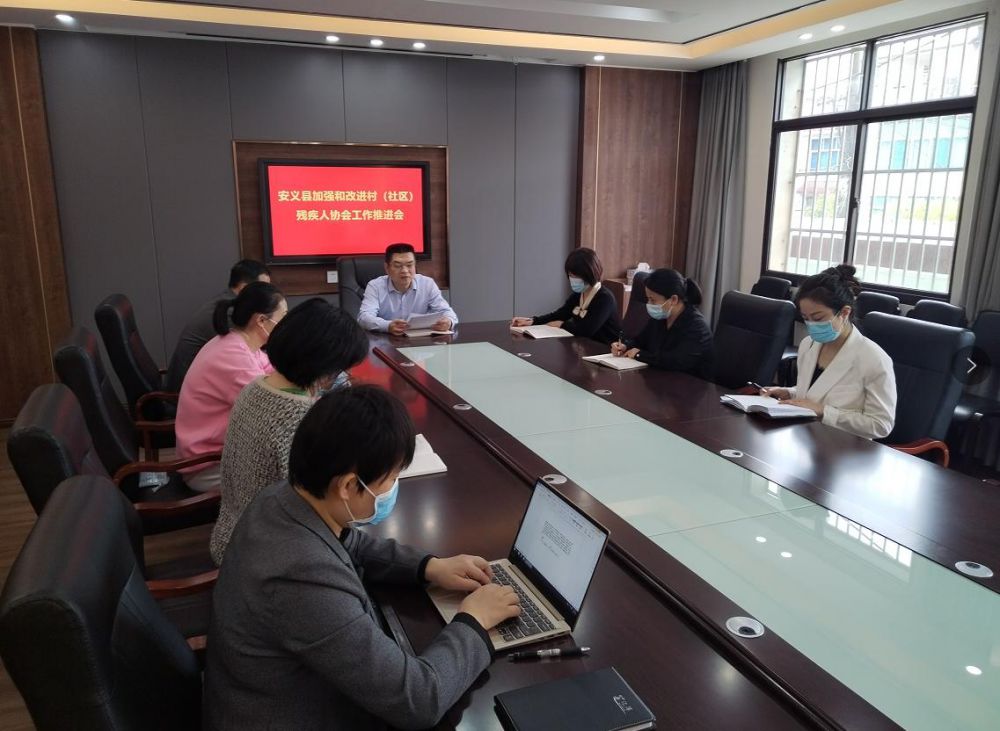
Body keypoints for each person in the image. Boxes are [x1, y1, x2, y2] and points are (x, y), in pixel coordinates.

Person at [203, 385, 521, 730]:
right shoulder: (300, 577)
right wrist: (473, 621)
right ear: (348, 486)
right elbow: (417, 700)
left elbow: (348, 543)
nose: (393, 488)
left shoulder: (284, 497)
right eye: (391, 478)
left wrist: (428, 567)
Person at [209, 299, 370, 565]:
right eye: (341, 368)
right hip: (261, 556)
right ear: (324, 367)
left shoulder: (256, 386)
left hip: (233, 532)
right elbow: (319, 508)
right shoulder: (299, 418)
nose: (341, 375)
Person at [761, 265, 896, 440]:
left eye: (818, 318)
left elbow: (881, 424)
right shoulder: (808, 344)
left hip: (846, 447)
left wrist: (825, 412)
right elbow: (817, 392)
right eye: (806, 318)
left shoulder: (873, 358)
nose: (811, 325)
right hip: (805, 436)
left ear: (844, 313)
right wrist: (789, 393)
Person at [175, 282, 287, 492]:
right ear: (261, 321)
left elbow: (273, 370)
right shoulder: (233, 356)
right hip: (208, 467)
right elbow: (273, 408)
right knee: (296, 475)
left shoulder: (240, 343)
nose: (286, 324)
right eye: (283, 317)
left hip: (222, 452)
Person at [165, 259, 271, 392]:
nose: (269, 294)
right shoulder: (231, 314)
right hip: (185, 392)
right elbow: (249, 361)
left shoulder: (225, 303)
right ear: (244, 288)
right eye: (263, 288)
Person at [610, 268, 714, 379]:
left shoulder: (697, 327)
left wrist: (640, 354)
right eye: (648, 299)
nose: (648, 304)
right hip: (662, 380)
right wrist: (625, 346)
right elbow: (640, 341)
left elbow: (676, 361)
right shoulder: (661, 318)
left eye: (653, 300)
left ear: (673, 299)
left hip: (691, 384)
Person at [511, 248, 622, 344]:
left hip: (605, 350)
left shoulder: (605, 298)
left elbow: (586, 330)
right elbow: (560, 314)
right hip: (584, 346)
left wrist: (562, 325)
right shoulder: (578, 295)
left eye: (576, 276)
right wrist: (533, 321)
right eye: (570, 275)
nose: (572, 279)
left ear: (589, 274)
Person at [358, 243, 459, 335]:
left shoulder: (427, 284)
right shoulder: (375, 286)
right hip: (386, 341)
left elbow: (447, 312)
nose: (405, 271)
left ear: (415, 266)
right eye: (398, 266)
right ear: (387, 268)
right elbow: (364, 318)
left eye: (409, 265)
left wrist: (448, 322)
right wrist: (388, 326)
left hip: (421, 343)